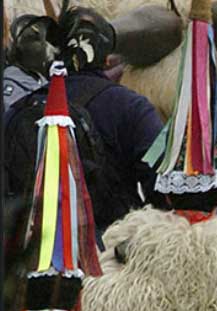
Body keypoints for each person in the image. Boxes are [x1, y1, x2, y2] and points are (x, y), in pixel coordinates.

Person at [4, 4, 166, 235]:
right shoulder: (132, 106)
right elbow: (162, 184)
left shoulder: (19, 109)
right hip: (111, 255)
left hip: (32, 256)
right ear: (108, 58)